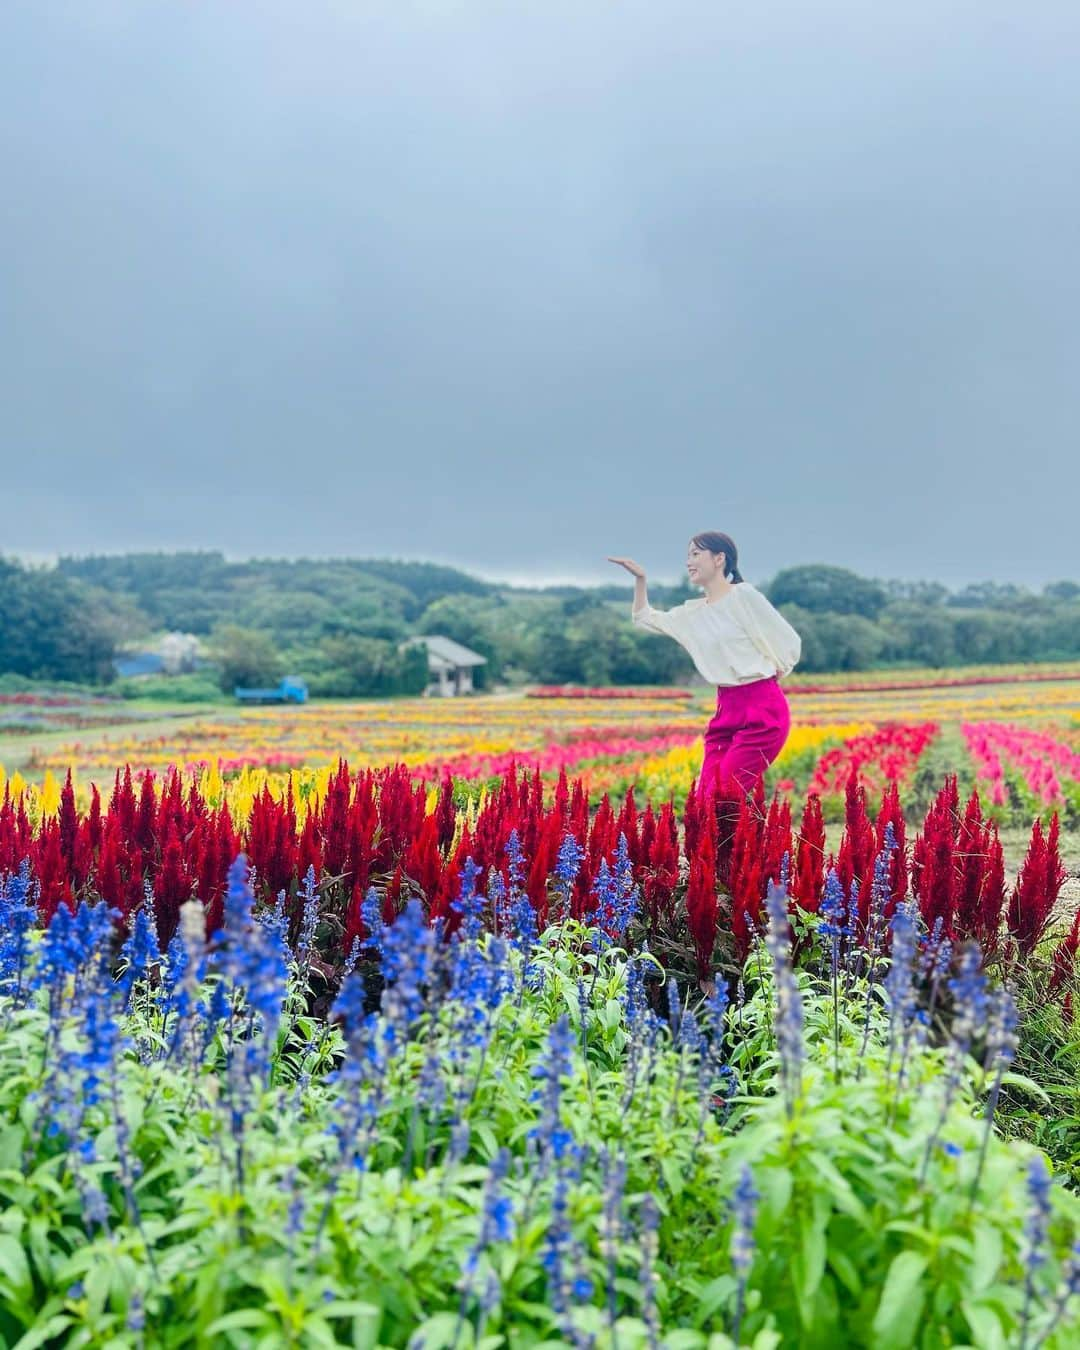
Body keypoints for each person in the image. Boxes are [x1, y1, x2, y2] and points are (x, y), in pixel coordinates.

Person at [607, 531, 801, 804]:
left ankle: (750, 846)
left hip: (762, 711)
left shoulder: (743, 596)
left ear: (719, 558)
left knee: (722, 799)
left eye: (696, 554)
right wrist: (641, 579)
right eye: (688, 556)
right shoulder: (693, 614)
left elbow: (788, 641)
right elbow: (643, 618)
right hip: (725, 711)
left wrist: (774, 672)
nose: (689, 562)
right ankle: (741, 846)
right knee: (703, 806)